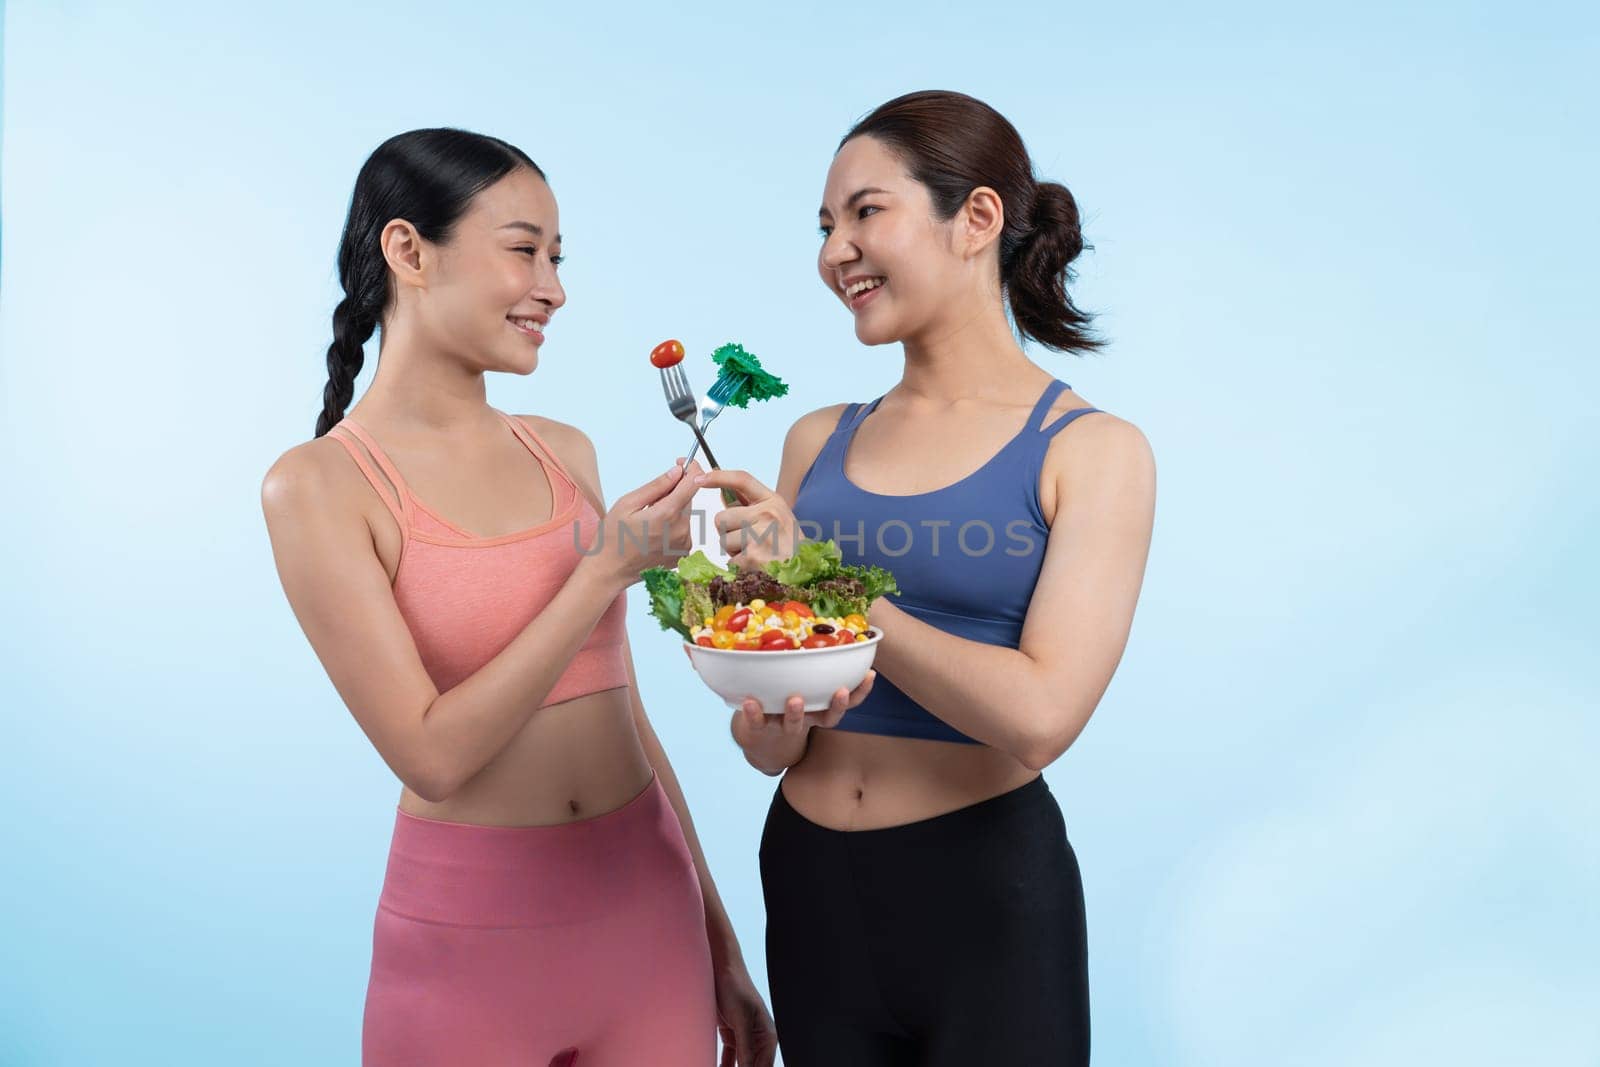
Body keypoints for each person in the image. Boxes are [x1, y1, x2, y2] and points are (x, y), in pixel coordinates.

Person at [260, 128, 781, 1067]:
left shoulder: (563, 449)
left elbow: (629, 717)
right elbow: (431, 755)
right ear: (409, 251)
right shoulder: (320, 487)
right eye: (523, 249)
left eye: (558, 256)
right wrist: (603, 572)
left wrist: (721, 944)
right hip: (468, 952)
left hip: (648, 924)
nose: (554, 286)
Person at [697, 91, 1157, 1065]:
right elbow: (769, 738)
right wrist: (766, 718)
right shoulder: (816, 439)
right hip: (810, 879)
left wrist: (829, 586)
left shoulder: (1090, 451)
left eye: (866, 212)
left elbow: (1041, 716)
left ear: (975, 219)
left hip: (985, 895)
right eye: (825, 226)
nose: (834, 251)